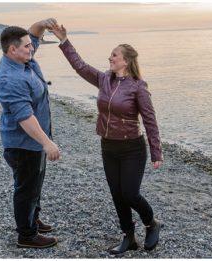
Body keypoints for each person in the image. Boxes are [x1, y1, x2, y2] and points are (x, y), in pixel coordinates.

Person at [50, 23, 163, 254]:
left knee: (130, 193)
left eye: (114, 55)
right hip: (108, 146)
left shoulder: (138, 87)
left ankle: (152, 224)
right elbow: (80, 67)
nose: (110, 57)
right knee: (117, 194)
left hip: (132, 148)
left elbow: (150, 120)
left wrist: (156, 152)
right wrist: (64, 41)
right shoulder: (104, 80)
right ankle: (128, 237)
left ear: (126, 61)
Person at [0, 18, 61, 249]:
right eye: (26, 46)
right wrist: (47, 143)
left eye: (30, 45)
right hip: (23, 143)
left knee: (35, 184)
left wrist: (42, 23)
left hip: (33, 142)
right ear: (12, 50)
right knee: (26, 188)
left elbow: (32, 35)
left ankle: (32, 218)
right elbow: (24, 117)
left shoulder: (22, 57)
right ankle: (27, 235)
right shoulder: (10, 78)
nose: (32, 47)